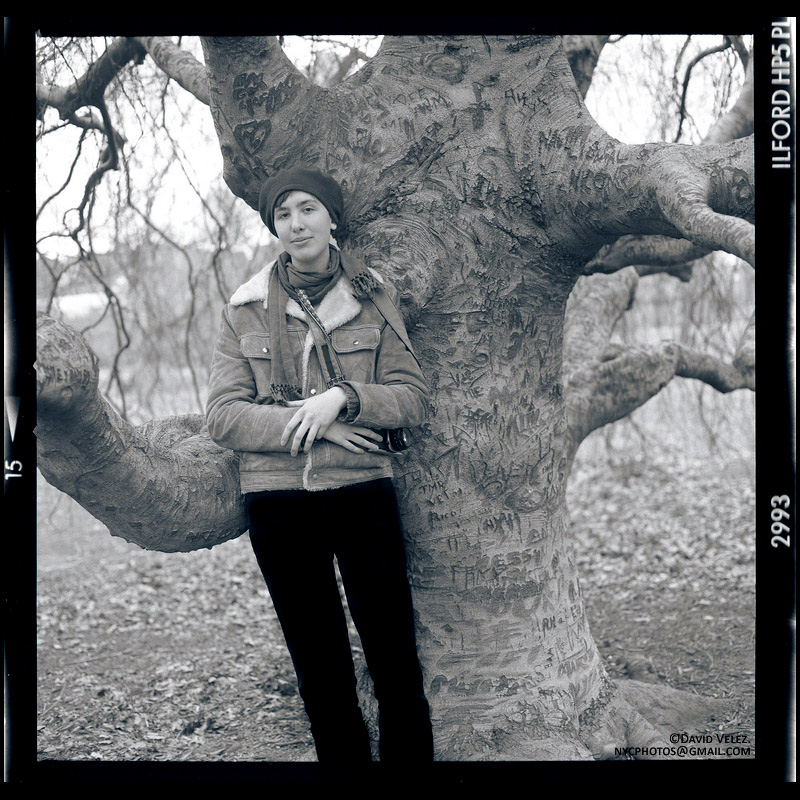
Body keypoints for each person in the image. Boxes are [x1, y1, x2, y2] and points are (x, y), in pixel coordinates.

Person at [206, 166, 434, 765]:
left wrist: (346, 398)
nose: (296, 223)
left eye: (308, 209)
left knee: (394, 662)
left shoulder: (372, 296)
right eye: (283, 214)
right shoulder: (246, 309)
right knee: (320, 670)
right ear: (273, 227)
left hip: (363, 495)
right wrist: (319, 421)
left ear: (332, 218)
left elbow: (412, 397)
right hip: (278, 504)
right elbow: (223, 416)